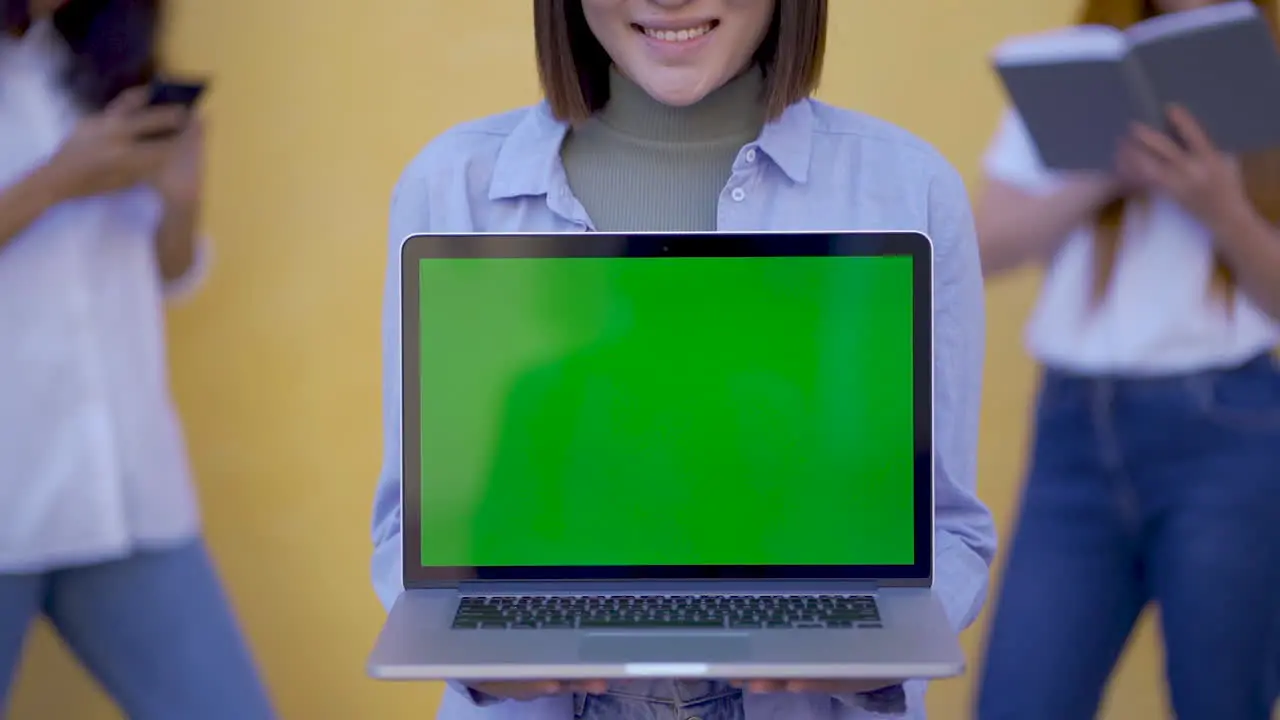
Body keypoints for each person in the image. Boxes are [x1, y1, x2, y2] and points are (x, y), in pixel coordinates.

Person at [370, 0, 996, 718]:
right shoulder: (450, 186)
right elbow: (408, 531)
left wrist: (881, 645)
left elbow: (948, 529)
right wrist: (474, 650)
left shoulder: (906, 188)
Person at [973, 1, 1280, 718]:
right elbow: (983, 243)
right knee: (1019, 700)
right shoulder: (1079, 71)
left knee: (1220, 702)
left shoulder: (1263, 72)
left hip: (1226, 434)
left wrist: (1220, 206)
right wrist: (1104, 172)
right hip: (1074, 429)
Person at [0, 1, 275, 717]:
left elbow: (170, 274)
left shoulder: (84, 71)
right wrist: (57, 179)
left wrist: (181, 200)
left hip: (127, 495)